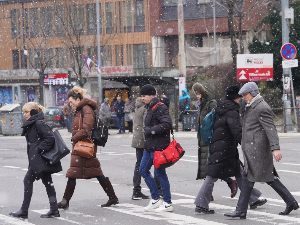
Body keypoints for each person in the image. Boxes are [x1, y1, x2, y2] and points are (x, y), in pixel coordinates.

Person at [224, 82, 299, 219]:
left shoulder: (261, 107)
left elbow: (271, 129)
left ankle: (241, 210)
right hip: (253, 150)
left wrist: (275, 148)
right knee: (268, 178)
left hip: (257, 151)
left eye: (245, 95)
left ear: (252, 93)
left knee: (250, 180)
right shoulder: (251, 106)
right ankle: (291, 202)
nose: (244, 97)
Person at [194, 86, 266, 214]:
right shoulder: (231, 110)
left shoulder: (220, 107)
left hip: (221, 146)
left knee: (239, 173)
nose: (242, 98)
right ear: (235, 97)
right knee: (212, 176)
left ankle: (252, 199)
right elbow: (236, 131)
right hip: (224, 148)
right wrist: (247, 144)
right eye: (240, 95)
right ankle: (201, 204)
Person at [57, 86, 119, 209]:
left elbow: (87, 128)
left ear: (78, 99)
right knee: (82, 172)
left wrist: (75, 137)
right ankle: (112, 197)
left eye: (71, 101)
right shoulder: (80, 110)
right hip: (81, 146)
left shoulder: (86, 109)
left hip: (84, 146)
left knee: (81, 172)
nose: (70, 104)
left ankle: (65, 201)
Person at [9, 102, 62, 219]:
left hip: (39, 159)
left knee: (28, 180)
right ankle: (54, 210)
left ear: (33, 112)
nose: (25, 115)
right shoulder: (34, 122)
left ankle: (24, 210)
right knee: (48, 182)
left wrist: (38, 149)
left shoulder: (38, 122)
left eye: (27, 112)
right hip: (38, 159)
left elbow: (50, 138)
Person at [192, 83, 237, 200]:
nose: (197, 96)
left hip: (211, 139)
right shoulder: (201, 105)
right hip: (204, 139)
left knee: (211, 168)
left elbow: (215, 121)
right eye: (196, 93)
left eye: (199, 93)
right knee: (211, 168)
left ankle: (208, 194)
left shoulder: (210, 104)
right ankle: (229, 183)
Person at [139, 84, 173, 212]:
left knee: (160, 173)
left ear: (152, 95)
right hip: (150, 146)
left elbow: (167, 124)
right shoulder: (150, 107)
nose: (143, 98)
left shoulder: (160, 107)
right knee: (142, 170)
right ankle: (155, 198)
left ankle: (168, 202)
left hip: (159, 146)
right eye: (141, 96)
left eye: (144, 96)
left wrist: (151, 130)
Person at [131, 97, 149, 200]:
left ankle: (136, 190)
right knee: (148, 164)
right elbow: (145, 125)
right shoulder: (145, 108)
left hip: (137, 139)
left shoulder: (137, 107)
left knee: (138, 164)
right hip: (143, 140)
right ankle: (157, 190)